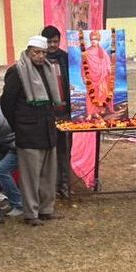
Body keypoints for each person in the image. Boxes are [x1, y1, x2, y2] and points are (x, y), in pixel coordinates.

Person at [0, 37, 65, 226]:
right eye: (36, 52)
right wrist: (19, 125)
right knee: (30, 175)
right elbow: (7, 103)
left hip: (47, 129)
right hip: (27, 130)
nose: (40, 56)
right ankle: (31, 213)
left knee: (48, 173)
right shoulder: (17, 71)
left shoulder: (47, 69)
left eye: (43, 52)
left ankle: (46, 209)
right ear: (28, 51)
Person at [41, 26, 73, 198]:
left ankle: (65, 186)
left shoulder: (66, 58)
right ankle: (49, 188)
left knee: (65, 150)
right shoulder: (38, 59)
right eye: (49, 42)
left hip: (65, 112)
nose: (53, 45)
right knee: (47, 151)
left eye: (55, 41)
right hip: (46, 114)